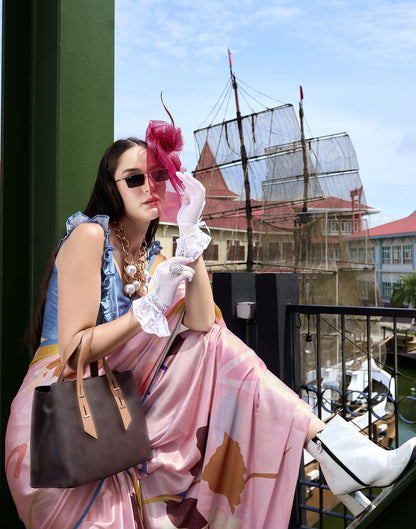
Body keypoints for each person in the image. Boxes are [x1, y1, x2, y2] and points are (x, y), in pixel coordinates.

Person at [5, 120, 416, 529]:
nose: (151, 187)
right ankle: (335, 451)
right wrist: (145, 310)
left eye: (159, 176)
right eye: (135, 179)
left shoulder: (155, 262)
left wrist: (189, 231)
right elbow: (73, 351)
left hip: (117, 408)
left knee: (213, 340)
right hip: (60, 415)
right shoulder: (90, 237)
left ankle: (332, 448)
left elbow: (202, 323)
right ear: (112, 187)